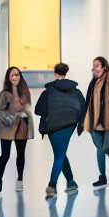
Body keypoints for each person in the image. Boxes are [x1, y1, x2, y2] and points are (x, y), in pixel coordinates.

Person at [35, 61, 84, 196]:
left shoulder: (49, 91)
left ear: (55, 73)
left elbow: (38, 110)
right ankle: (70, 182)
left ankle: (52, 185)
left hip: (52, 127)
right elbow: (83, 107)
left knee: (59, 156)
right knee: (60, 154)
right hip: (69, 125)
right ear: (65, 73)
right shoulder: (75, 90)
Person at [81, 56, 109, 188]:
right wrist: (83, 120)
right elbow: (87, 102)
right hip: (95, 123)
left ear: (104, 67)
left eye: (97, 65)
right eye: (93, 65)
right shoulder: (93, 83)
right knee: (100, 149)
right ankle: (102, 176)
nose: (94, 68)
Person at [0, 66, 33, 194]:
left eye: (17, 74)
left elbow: (28, 108)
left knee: (21, 154)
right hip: (7, 128)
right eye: (12, 75)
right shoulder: (4, 94)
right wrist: (9, 118)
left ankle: (20, 179)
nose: (15, 77)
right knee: (5, 155)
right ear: (8, 77)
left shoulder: (25, 92)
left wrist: (25, 115)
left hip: (21, 127)